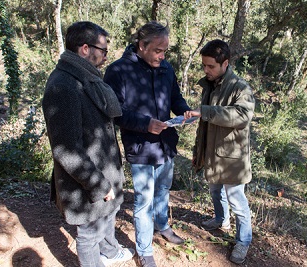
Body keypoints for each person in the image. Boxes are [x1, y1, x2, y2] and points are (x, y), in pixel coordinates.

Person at [42, 21, 134, 267]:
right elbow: (66, 149)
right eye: (102, 50)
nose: (105, 56)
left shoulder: (86, 78)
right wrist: (98, 185)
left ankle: (111, 253)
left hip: (103, 175)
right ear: (84, 49)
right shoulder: (63, 86)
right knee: (89, 235)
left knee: (106, 220)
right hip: (86, 184)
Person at [104, 21, 190, 267]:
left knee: (163, 190)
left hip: (166, 144)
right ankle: (144, 250)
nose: (162, 56)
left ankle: (162, 225)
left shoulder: (166, 68)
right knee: (144, 200)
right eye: (158, 51)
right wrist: (145, 124)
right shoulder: (118, 71)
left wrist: (184, 113)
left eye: (165, 52)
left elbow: (176, 98)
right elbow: (114, 111)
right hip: (141, 147)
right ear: (142, 46)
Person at [184, 39, 255, 264]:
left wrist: (204, 111)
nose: (206, 70)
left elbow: (242, 116)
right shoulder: (210, 84)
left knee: (237, 201)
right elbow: (205, 125)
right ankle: (221, 219)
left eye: (211, 66)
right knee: (215, 191)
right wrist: (198, 150)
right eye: (204, 66)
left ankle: (243, 240)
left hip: (232, 158)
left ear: (225, 63)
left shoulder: (240, 87)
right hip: (212, 153)